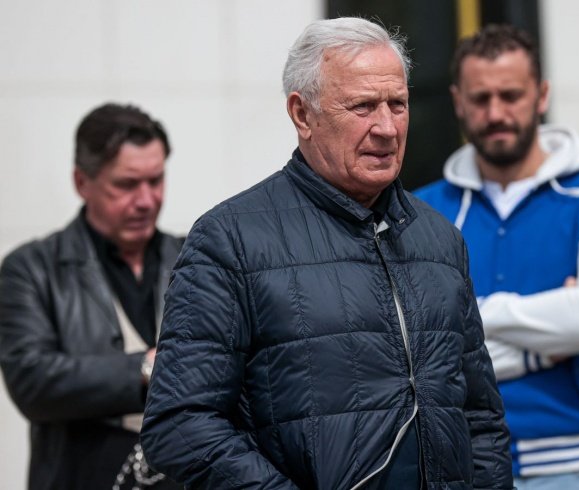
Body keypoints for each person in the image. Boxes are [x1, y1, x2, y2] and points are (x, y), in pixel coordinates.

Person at [141, 17, 512, 490]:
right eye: (363, 106)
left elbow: (480, 419)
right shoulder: (230, 240)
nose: (387, 128)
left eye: (397, 104)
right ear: (302, 114)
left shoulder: (439, 240)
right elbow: (179, 424)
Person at [415, 24, 579, 488]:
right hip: (464, 462)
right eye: (480, 98)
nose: (496, 112)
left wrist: (469, 318)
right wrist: (547, 342)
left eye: (511, 95)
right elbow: (415, 351)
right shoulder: (424, 211)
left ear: (541, 95)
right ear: (458, 101)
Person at [0, 103, 184, 490]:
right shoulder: (31, 268)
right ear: (82, 182)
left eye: (156, 180)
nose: (146, 200)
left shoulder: (196, 256)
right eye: (127, 184)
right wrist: (146, 368)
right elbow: (31, 381)